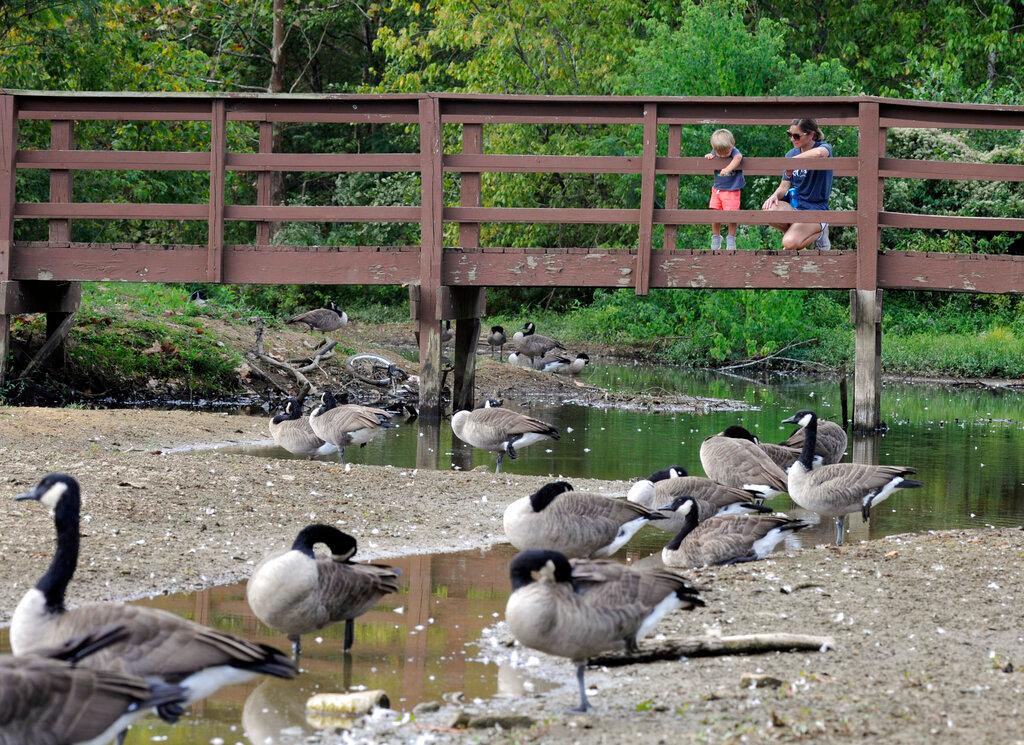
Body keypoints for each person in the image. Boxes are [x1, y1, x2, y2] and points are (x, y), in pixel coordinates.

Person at [761, 118, 833, 250]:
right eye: (789, 134)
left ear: (811, 134)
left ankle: (819, 233)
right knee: (768, 209)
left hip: (816, 210)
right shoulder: (790, 154)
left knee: (788, 244)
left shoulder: (824, 147)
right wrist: (774, 195)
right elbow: (784, 187)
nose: (792, 139)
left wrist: (792, 162)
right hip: (796, 208)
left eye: (796, 136)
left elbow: (818, 154)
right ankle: (798, 235)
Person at [705, 129, 744, 250]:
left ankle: (731, 238)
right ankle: (716, 236)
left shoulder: (734, 150)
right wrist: (710, 155)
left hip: (732, 190)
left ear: (732, 145)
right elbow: (713, 154)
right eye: (718, 152)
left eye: (725, 153)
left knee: (731, 215)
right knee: (715, 213)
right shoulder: (717, 149)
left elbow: (738, 158)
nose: (721, 155)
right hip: (717, 189)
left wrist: (727, 168)